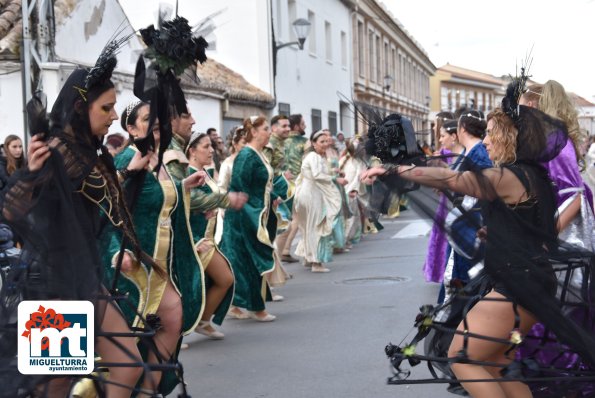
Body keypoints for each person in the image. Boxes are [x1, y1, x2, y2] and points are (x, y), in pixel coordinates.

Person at [362, 97, 595, 397]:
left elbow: (451, 178)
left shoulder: (509, 176)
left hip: (519, 284)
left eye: (490, 132)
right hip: (528, 280)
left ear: (509, 137)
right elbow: (535, 228)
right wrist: (495, 233)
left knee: (463, 358)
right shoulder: (532, 175)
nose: (485, 141)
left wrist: (396, 172)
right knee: (498, 362)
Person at [1, 57, 146, 397]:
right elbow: (10, 210)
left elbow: (104, 202)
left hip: (83, 278)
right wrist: (31, 174)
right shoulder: (58, 150)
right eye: (106, 108)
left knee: (128, 366)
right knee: (55, 384)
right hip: (53, 283)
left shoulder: (88, 150)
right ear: (82, 108)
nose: (114, 116)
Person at [102, 100, 207, 395]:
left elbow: (154, 199)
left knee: (172, 319)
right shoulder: (125, 162)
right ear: (131, 128)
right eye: (148, 119)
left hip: (161, 263)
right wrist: (116, 251)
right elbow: (108, 212)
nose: (157, 122)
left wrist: (184, 186)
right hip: (133, 265)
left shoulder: (159, 161)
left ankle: (149, 390)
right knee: (129, 343)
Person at [220, 116, 286, 321]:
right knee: (247, 261)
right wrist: (252, 214)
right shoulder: (247, 155)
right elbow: (239, 189)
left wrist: (272, 198)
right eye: (266, 129)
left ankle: (244, 304)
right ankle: (255, 308)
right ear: (254, 132)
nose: (269, 132)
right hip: (244, 217)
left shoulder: (258, 154)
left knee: (247, 261)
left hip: (256, 213)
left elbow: (261, 186)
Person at [186, 132, 247, 338]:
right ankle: (177, 333)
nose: (211, 150)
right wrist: (223, 201)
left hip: (208, 239)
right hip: (192, 240)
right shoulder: (187, 174)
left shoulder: (205, 172)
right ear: (191, 151)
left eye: (211, 146)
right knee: (187, 288)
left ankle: (202, 321)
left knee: (223, 279)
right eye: (205, 146)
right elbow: (188, 201)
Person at [294, 130, 345, 272]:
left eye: (326, 141)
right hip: (311, 195)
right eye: (321, 142)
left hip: (308, 194)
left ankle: (308, 258)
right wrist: (336, 179)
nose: (325, 144)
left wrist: (334, 174)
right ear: (313, 144)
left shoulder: (312, 156)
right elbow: (317, 175)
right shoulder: (314, 156)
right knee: (316, 227)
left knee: (308, 228)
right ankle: (316, 263)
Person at [423, 119, 465, 284]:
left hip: (457, 209)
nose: (440, 140)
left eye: (442, 136)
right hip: (447, 204)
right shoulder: (448, 154)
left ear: (453, 136)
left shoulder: (462, 156)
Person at [276, 113, 308, 263]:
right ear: (297, 126)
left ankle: (285, 251)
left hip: (281, 184)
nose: (305, 126)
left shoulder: (281, 142)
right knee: (296, 218)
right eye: (303, 124)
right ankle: (285, 250)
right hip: (297, 184)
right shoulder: (304, 142)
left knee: (288, 218)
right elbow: (307, 165)